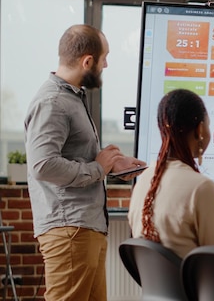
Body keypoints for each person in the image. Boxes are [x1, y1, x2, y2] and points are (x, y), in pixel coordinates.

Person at [24, 24, 146, 300]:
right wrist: (98, 168)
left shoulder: (72, 98)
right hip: (70, 230)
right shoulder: (53, 102)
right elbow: (42, 165)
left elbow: (71, 155)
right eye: (104, 58)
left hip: (84, 227)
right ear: (87, 61)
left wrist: (112, 165)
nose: (106, 65)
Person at [128, 88, 214, 258]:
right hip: (194, 284)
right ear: (200, 130)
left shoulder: (144, 180)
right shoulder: (202, 188)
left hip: (154, 285)